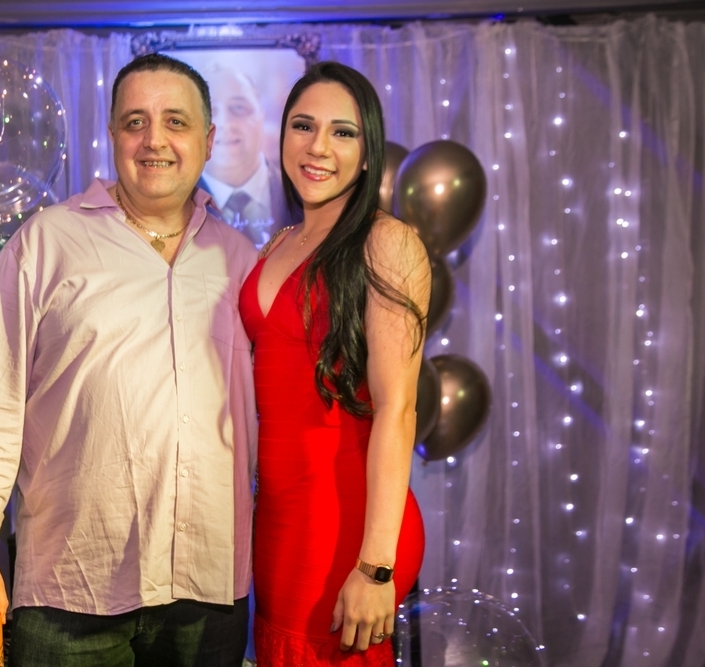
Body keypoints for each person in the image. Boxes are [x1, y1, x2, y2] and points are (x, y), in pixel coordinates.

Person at [0, 53, 258, 667]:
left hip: (209, 587)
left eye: (176, 121)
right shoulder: (46, 243)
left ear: (208, 140)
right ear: (112, 135)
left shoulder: (242, 261)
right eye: (135, 122)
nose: (154, 139)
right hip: (73, 589)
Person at [238, 61, 429, 665]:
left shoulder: (387, 242)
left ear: (368, 154)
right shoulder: (277, 244)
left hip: (349, 522)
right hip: (278, 520)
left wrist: (376, 567)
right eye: (303, 125)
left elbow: (399, 408)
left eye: (343, 132)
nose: (318, 146)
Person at [197, 63, 292, 247]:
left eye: (239, 107)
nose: (225, 123)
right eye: (210, 111)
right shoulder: (171, 208)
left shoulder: (301, 195)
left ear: (262, 115)